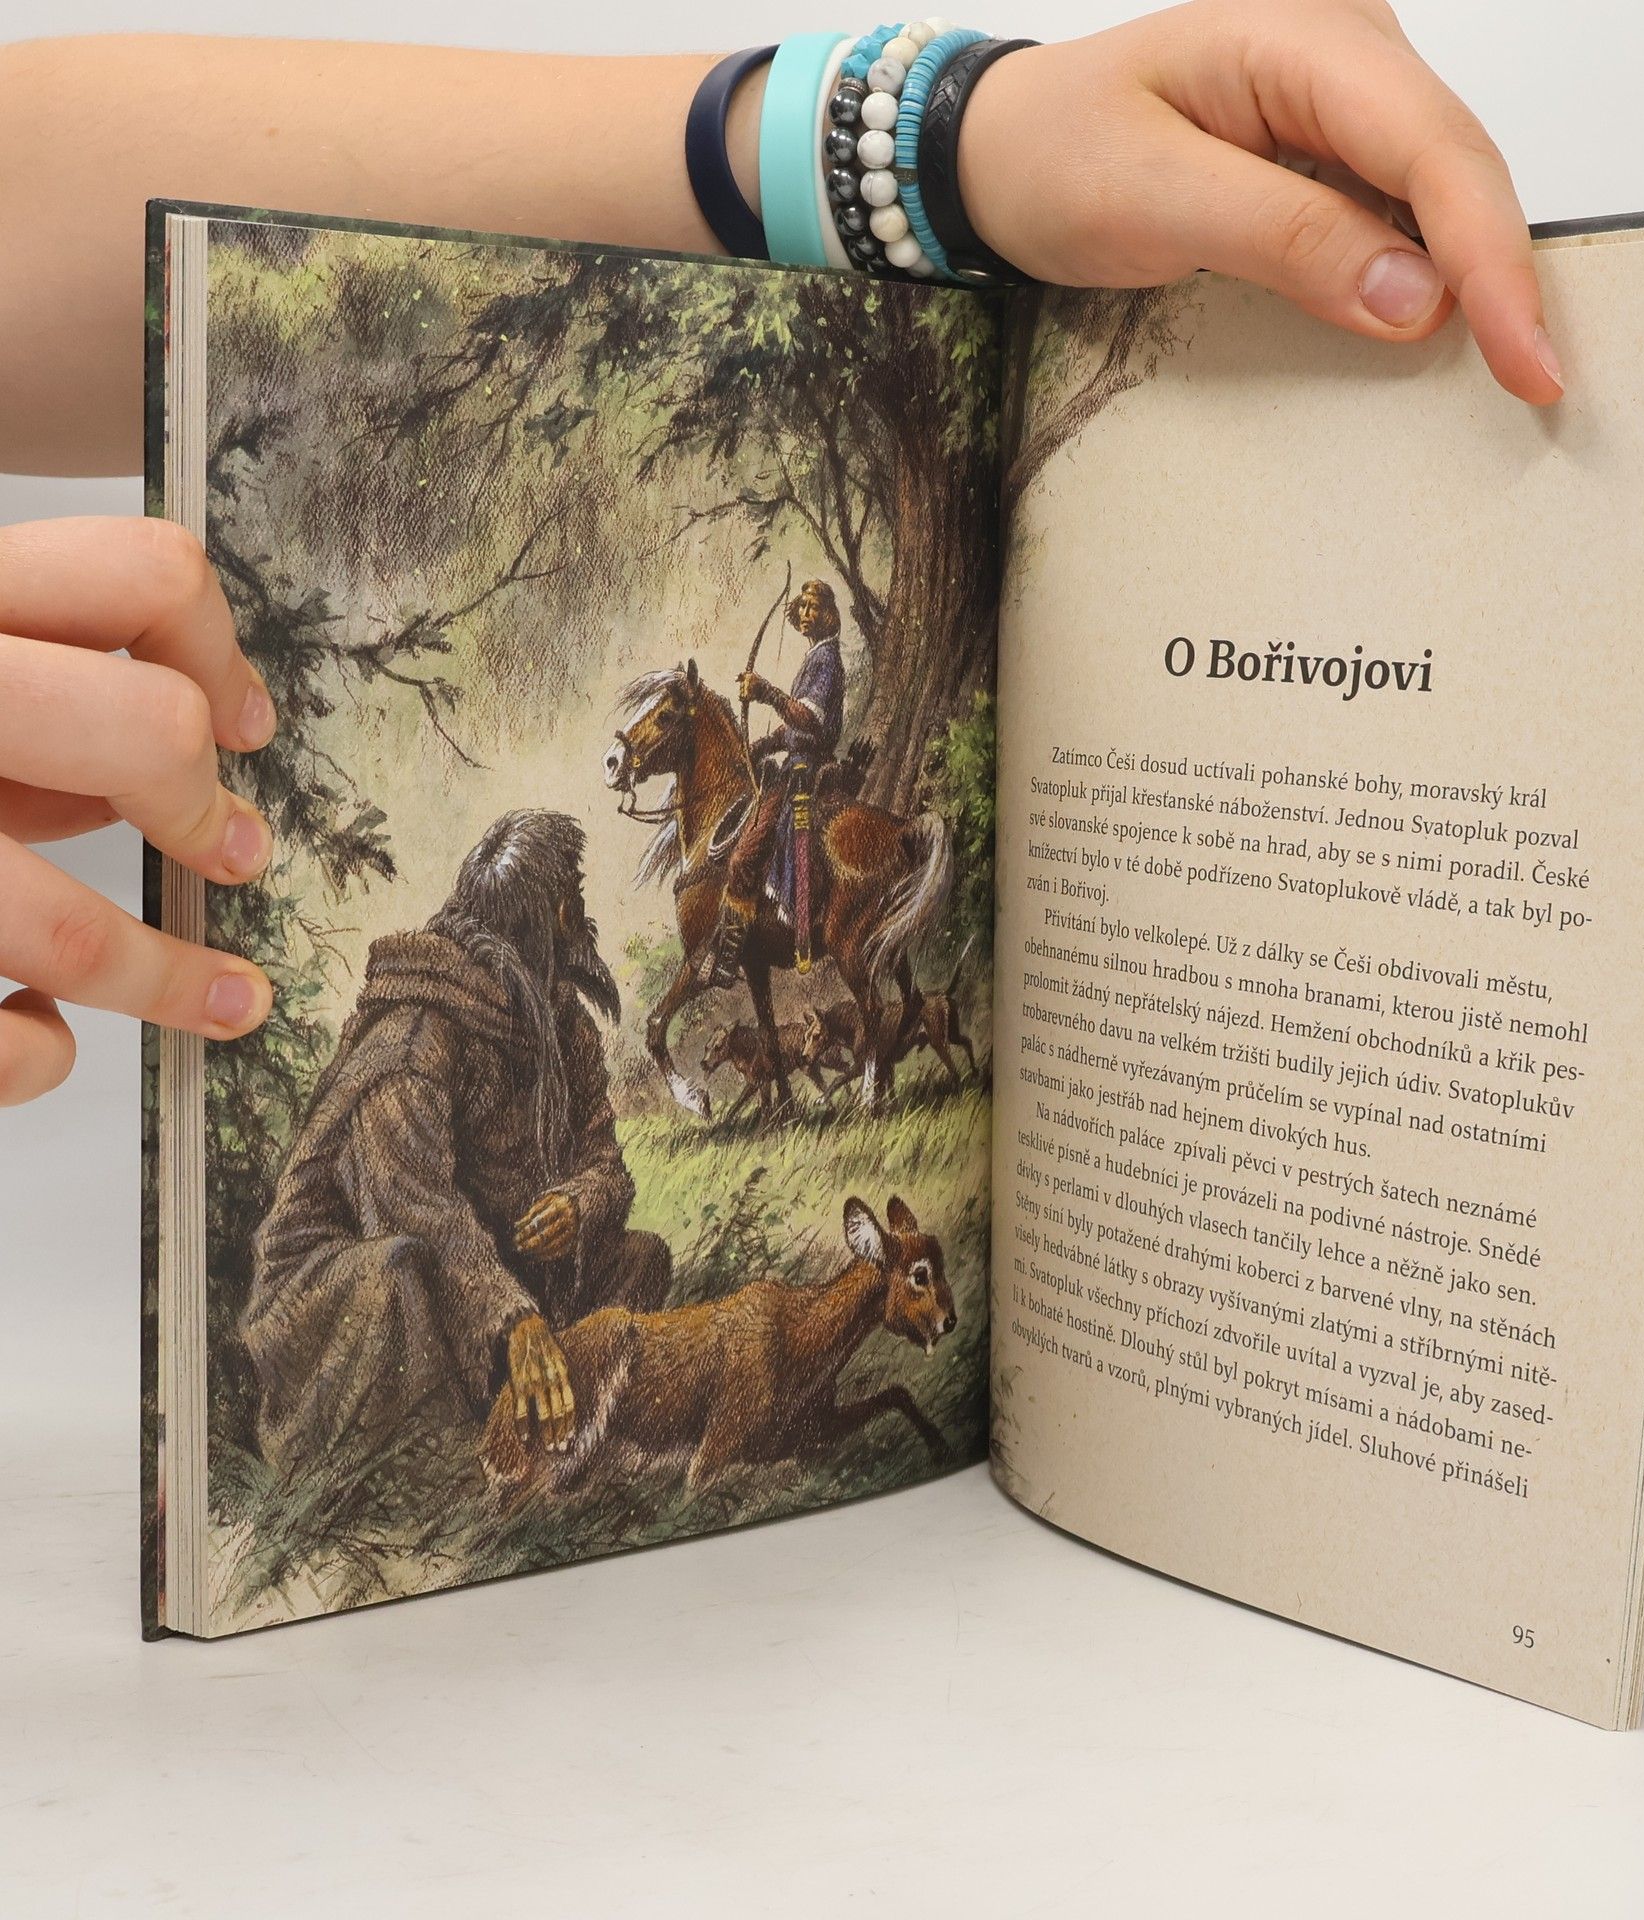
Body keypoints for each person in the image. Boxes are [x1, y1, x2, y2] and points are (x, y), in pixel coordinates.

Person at [0, 3, 1560, 1106]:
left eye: (814, 602)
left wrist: (954, 139)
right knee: (727, 828)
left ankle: (806, 926)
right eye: (812, 601)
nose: (814, 608)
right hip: (777, 755)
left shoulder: (816, 658)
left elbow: (41, 182)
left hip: (806, 772)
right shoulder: (791, 656)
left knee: (764, 838)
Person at [242, 810, 672, 1469]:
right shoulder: (415, 1033)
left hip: (481, 1275)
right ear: (550, 915)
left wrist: (579, 1204)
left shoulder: (562, 1027)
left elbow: (605, 1165)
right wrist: (514, 1320)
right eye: (573, 898)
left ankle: (564, 1437)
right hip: (340, 1299)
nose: (581, 917)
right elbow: (414, 1209)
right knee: (396, 1271)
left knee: (640, 1259)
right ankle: (437, 1472)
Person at [704, 578, 847, 989]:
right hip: (795, 763)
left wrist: (767, 692)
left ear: (829, 615)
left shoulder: (826, 660)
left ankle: (730, 957)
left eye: (814, 606)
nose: (806, 613)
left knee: (742, 858)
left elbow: (810, 720)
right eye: (802, 606)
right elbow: (794, 727)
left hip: (805, 771)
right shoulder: (816, 657)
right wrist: (762, 746)